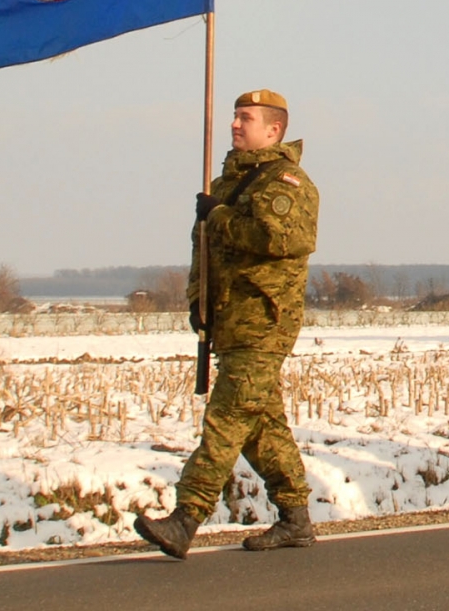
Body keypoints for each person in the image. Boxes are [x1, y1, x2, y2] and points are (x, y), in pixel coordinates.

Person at [136, 90, 320, 559]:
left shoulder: (285, 183)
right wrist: (199, 300)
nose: (235, 125)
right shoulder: (226, 184)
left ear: (273, 130)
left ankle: (185, 518)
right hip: (230, 323)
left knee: (227, 419)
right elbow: (206, 250)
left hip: (264, 323)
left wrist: (218, 217)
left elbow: (279, 239)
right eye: (235, 117)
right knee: (260, 427)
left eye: (246, 118)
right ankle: (296, 518)